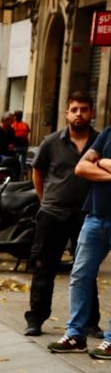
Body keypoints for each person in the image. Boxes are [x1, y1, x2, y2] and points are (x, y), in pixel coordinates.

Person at [25, 92, 101, 337]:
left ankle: (90, 322)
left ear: (92, 113)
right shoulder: (51, 141)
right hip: (53, 214)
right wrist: (44, 201)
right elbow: (37, 171)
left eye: (84, 109)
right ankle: (35, 319)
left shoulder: (101, 142)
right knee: (44, 268)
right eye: (75, 109)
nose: (79, 113)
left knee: (87, 270)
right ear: (67, 113)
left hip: (88, 215)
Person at [48, 121, 111, 359]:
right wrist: (104, 164)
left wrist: (101, 162)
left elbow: (92, 163)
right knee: (80, 276)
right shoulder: (108, 133)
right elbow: (82, 167)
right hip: (95, 216)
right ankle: (75, 335)